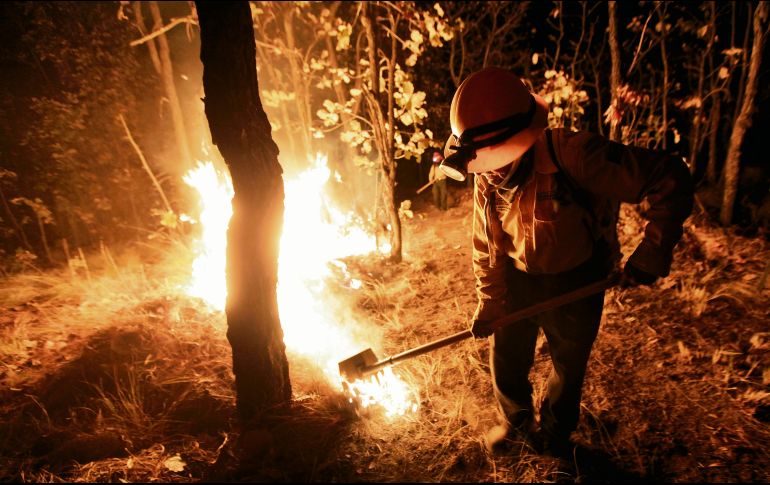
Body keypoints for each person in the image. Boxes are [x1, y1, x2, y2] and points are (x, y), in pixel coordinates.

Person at [439, 67, 693, 457]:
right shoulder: (485, 171)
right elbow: (487, 244)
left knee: (568, 369)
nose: (489, 170)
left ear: (519, 140)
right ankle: (517, 423)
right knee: (505, 362)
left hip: (578, 282)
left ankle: (556, 435)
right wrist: (490, 301)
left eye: (496, 158)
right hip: (518, 280)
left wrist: (653, 252)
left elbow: (669, 178)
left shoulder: (574, 153)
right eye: (484, 161)